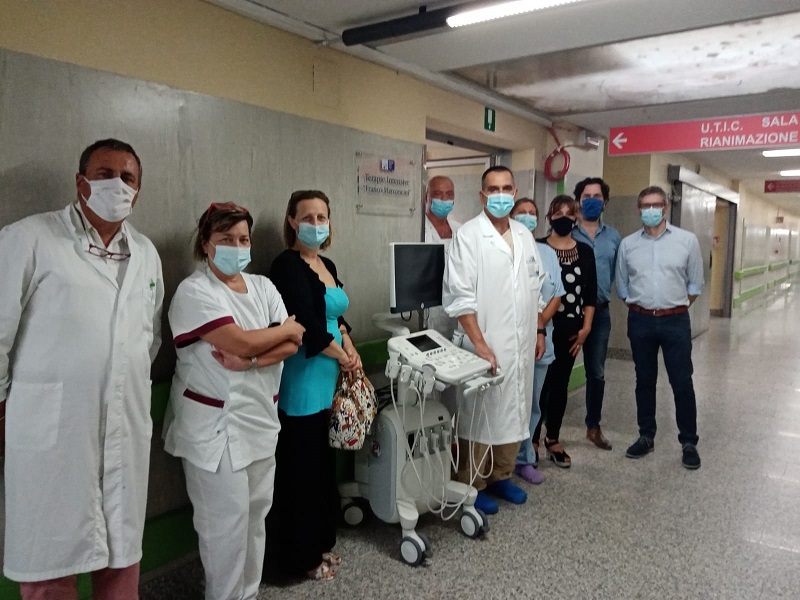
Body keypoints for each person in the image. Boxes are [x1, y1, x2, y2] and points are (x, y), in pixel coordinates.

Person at [0, 139, 164, 599]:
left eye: (127, 178)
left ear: (138, 191)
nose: (117, 185)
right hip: (54, 429)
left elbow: (146, 338)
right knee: (52, 561)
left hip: (124, 425)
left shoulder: (146, 254)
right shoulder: (29, 238)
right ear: (80, 182)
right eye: (104, 174)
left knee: (121, 555)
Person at [163, 203, 304, 600]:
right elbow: (239, 341)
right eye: (226, 239)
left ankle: (248, 594)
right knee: (225, 529)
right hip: (215, 430)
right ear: (206, 244)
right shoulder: (195, 292)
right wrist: (279, 332)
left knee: (256, 518)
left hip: (260, 420)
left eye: (243, 239)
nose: (236, 247)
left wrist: (254, 359)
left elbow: (293, 343)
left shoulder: (263, 287)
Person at [269, 190, 361, 581]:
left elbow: (336, 317)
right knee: (300, 471)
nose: (316, 224)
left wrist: (349, 345)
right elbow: (306, 323)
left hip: (329, 376)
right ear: (291, 221)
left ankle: (321, 542)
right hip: (304, 375)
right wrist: (341, 356)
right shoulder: (286, 267)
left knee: (322, 468)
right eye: (307, 217)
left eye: (322, 217)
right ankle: (300, 558)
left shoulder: (327, 263)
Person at [443, 166, 545, 516]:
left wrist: (539, 331)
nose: (500, 195)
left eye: (506, 188)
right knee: (480, 415)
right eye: (493, 189)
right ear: (482, 194)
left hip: (520, 345)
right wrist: (480, 344)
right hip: (484, 343)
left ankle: (501, 475)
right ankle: (473, 482)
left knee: (513, 411)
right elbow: (460, 298)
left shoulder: (525, 235)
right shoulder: (469, 236)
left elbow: (536, 287)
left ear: (514, 192)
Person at [616, 186, 704, 470]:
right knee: (644, 380)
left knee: (682, 381)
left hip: (675, 320)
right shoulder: (628, 244)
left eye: (656, 205)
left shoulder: (687, 241)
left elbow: (695, 284)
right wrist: (643, 307)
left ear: (665, 207)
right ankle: (646, 436)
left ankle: (688, 442)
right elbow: (622, 285)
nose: (651, 210)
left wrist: (673, 306)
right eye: (645, 205)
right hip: (640, 320)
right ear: (638, 209)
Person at [533, 195, 597, 469]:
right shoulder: (536, 247)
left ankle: (553, 439)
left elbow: (590, 295)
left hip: (571, 330)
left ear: (576, 218)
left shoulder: (585, 252)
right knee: (539, 386)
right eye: (557, 213)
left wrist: (586, 328)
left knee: (560, 385)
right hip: (540, 328)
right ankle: (532, 440)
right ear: (549, 217)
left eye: (569, 213)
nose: (563, 218)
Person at [511, 199, 563, 485]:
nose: (527, 218)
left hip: (541, 338)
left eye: (532, 213)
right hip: (511, 337)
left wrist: (539, 325)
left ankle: (524, 458)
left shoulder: (546, 252)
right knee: (507, 402)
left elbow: (556, 294)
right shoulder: (504, 246)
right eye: (522, 213)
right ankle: (498, 461)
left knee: (532, 404)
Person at [572, 177, 621, 450]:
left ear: (605, 202)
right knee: (556, 371)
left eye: (597, 196)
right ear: (578, 201)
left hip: (600, 314)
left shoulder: (613, 237)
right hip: (567, 314)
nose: (592, 200)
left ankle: (593, 427)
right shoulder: (567, 233)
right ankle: (544, 430)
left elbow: (615, 273)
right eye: (586, 196)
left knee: (597, 373)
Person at [424, 175, 462, 338]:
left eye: (449, 194)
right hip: (427, 306)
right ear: (426, 197)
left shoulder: (461, 230)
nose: (444, 199)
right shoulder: (418, 229)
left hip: (455, 303)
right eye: (438, 194)